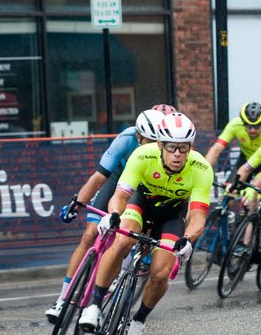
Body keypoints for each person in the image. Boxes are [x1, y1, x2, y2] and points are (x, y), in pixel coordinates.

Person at [77, 112, 213, 335]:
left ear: (191, 147)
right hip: (141, 203)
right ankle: (95, 305)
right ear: (160, 145)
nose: (178, 154)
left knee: (160, 273)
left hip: (172, 215)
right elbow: (120, 196)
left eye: (184, 148)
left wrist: (188, 239)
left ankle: (139, 320)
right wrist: (114, 215)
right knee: (121, 241)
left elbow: (199, 217)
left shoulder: (201, 168)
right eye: (172, 148)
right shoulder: (142, 155)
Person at [44, 107, 170, 323]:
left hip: (140, 188)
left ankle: (112, 281)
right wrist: (77, 204)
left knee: (127, 236)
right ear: (138, 136)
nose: (152, 147)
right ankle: (63, 299)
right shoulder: (125, 139)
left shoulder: (163, 149)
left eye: (155, 142)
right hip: (117, 180)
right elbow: (99, 177)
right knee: (89, 234)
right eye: (147, 141)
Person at [204, 101, 261, 183]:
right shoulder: (235, 125)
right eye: (248, 126)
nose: (252, 130)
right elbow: (216, 148)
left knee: (258, 192)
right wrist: (204, 171)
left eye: (257, 126)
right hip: (245, 159)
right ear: (243, 124)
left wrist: (254, 188)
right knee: (230, 190)